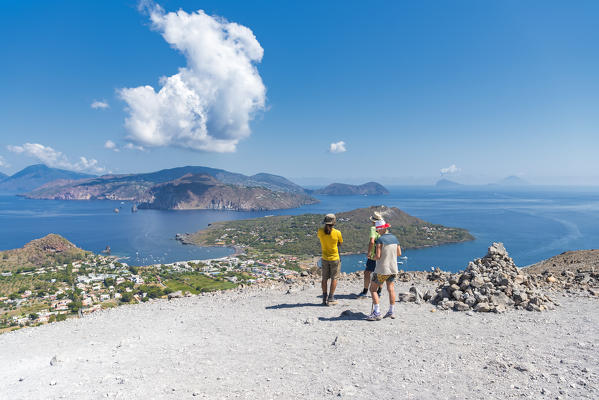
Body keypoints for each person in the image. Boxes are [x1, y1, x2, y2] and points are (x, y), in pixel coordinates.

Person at [367, 219, 401, 321]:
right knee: (390, 289)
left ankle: (377, 312)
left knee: (373, 289)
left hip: (382, 270)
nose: (377, 231)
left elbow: (377, 256)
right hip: (393, 269)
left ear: (381, 229)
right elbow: (399, 253)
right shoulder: (395, 238)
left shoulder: (380, 240)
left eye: (378, 230)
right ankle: (391, 311)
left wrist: (370, 256)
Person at [317, 213, 343, 306]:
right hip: (335, 258)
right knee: (334, 278)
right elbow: (340, 243)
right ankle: (331, 298)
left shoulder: (320, 231)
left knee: (324, 278)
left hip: (324, 258)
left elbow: (322, 237)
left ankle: (324, 298)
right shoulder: (337, 233)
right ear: (334, 222)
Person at [357, 211, 383, 298]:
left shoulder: (373, 228)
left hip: (373, 255)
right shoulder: (383, 229)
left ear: (374, 221)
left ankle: (365, 291)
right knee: (380, 273)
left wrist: (369, 252)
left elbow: (372, 241)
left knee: (367, 272)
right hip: (382, 255)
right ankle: (379, 291)